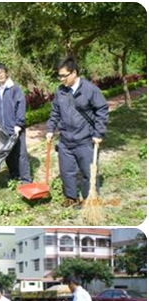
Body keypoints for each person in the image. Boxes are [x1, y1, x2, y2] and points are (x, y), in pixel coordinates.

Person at [46, 57, 109, 207]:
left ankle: (88, 199)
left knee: (88, 172)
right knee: (67, 171)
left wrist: (98, 133)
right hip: (65, 139)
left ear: (74, 73)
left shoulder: (90, 89)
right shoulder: (60, 91)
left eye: (64, 76)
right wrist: (50, 129)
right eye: (59, 76)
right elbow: (55, 111)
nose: (61, 79)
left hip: (85, 140)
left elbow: (102, 109)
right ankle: (71, 197)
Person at [0, 63, 32, 184]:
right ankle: (14, 174)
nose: (0, 75)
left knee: (20, 153)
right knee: (8, 153)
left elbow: (21, 106)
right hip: (2, 128)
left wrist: (19, 124)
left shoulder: (14, 88)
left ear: (6, 73)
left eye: (2, 72)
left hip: (16, 127)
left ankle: (26, 179)